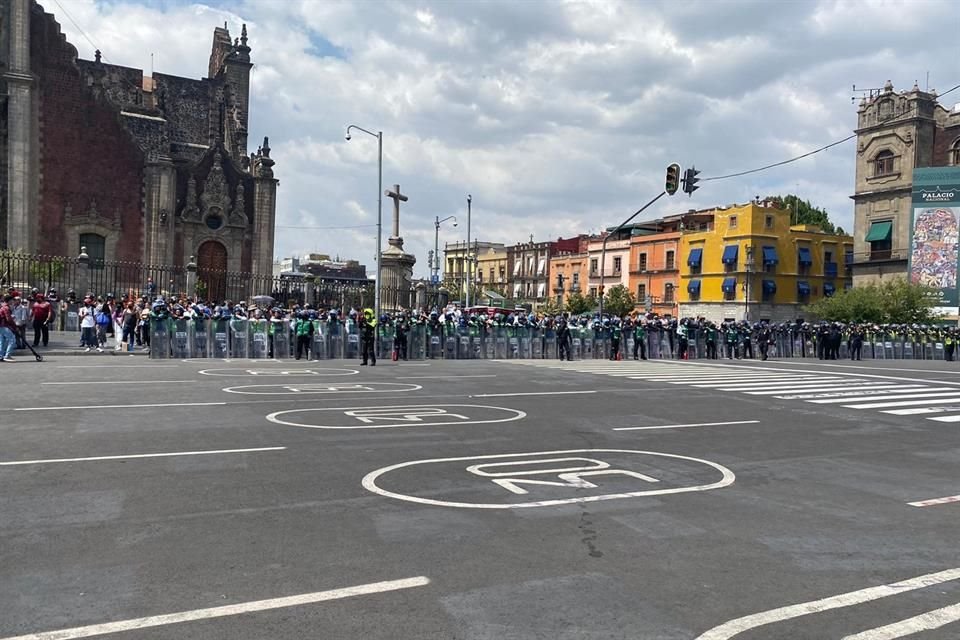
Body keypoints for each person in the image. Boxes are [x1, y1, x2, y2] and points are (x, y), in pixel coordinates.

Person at [0, 295, 18, 361]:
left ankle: (1, 355)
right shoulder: (6, 308)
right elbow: (8, 319)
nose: (13, 301)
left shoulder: (2, 307)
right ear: (9, 300)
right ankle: (7, 356)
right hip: (5, 326)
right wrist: (14, 326)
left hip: (1, 326)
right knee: (12, 340)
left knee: (2, 341)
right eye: (12, 300)